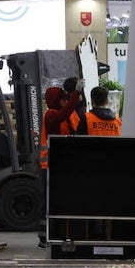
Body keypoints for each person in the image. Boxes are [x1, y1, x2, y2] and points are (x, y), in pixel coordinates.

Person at [38, 79, 83, 247]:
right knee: (47, 202)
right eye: (63, 99)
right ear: (57, 101)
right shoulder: (51, 115)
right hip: (49, 166)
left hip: (59, 166)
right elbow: (65, 113)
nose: (65, 101)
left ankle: (54, 234)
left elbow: (74, 112)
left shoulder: (66, 115)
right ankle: (44, 237)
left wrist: (77, 96)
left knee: (56, 202)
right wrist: (76, 92)